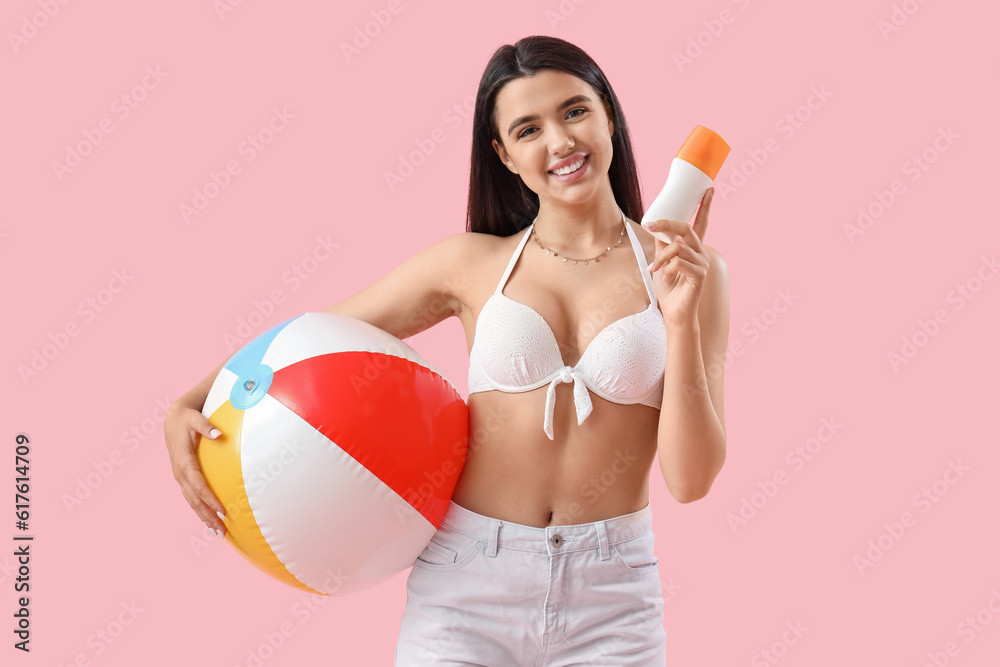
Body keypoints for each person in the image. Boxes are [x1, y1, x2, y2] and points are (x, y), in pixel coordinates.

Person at [165, 34, 729, 666]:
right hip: (468, 586)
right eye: (527, 129)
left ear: (609, 117)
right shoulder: (469, 264)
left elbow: (690, 479)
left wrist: (678, 319)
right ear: (505, 155)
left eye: (575, 111)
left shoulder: (691, 274)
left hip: (614, 593)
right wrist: (186, 402)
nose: (560, 142)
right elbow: (313, 335)